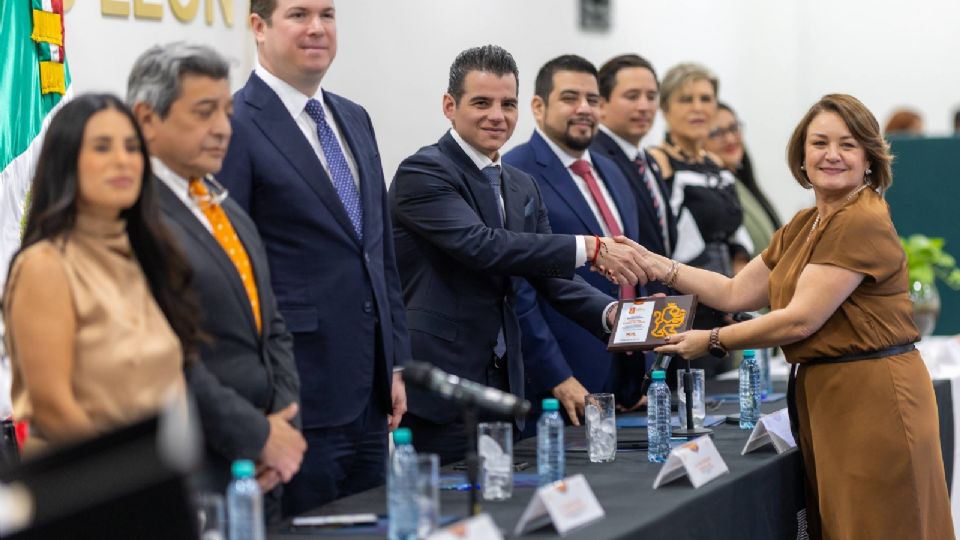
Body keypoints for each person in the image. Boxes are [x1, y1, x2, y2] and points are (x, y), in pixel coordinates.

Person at [630, 94, 953, 540]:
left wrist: (712, 340)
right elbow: (733, 291)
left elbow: (800, 320)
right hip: (831, 395)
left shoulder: (859, 220)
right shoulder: (807, 223)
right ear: (801, 155)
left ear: (869, 159)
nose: (832, 155)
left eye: (848, 145)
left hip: (874, 398)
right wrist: (657, 265)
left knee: (881, 526)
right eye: (819, 143)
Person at [390, 45, 648, 464]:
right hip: (442, 385)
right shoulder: (423, 172)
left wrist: (612, 314)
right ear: (449, 106)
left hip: (506, 386)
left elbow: (550, 276)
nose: (497, 116)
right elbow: (483, 246)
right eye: (482, 103)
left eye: (507, 104)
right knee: (446, 501)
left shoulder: (521, 184)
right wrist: (590, 246)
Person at [217, 0, 411, 514]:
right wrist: (258, 401)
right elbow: (232, 273)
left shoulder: (354, 117)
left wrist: (395, 362)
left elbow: (379, 253)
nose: (317, 28)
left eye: (327, 15)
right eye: (299, 15)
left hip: (371, 394)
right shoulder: (234, 123)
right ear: (258, 27)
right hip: (296, 396)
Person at [127, 42, 306, 515]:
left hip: (263, 470)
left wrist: (284, 423)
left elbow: (272, 326)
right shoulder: (134, 217)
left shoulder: (225, 206)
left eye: (226, 112)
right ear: (147, 119)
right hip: (195, 472)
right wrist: (257, 435)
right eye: (204, 112)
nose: (224, 128)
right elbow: (166, 359)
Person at [2, 94, 201, 452]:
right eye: (102, 147)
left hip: (164, 474)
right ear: (66, 161)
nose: (122, 160)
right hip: (91, 478)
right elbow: (53, 409)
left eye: (131, 147)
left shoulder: (145, 255)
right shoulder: (45, 266)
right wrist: (138, 470)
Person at [503, 54, 647, 424]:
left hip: (626, 375)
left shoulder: (612, 171)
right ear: (538, 107)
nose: (584, 109)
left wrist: (642, 359)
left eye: (592, 100)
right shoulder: (515, 172)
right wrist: (556, 376)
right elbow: (518, 287)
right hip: (561, 382)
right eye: (570, 98)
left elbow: (632, 267)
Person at [647, 62, 750, 377]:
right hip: (682, 310)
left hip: (724, 310)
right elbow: (660, 243)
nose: (698, 108)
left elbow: (736, 239)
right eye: (686, 99)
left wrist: (739, 297)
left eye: (705, 99)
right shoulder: (657, 162)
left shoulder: (716, 164)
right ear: (665, 108)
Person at [590, 53, 678, 407]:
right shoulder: (597, 160)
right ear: (602, 104)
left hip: (651, 327)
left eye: (651, 96)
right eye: (631, 96)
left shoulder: (647, 161)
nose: (644, 106)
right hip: (608, 331)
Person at [705, 102, 782, 256]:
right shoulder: (708, 196)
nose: (730, 139)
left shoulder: (741, 185)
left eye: (733, 128)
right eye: (716, 133)